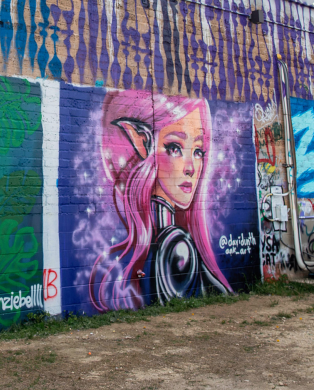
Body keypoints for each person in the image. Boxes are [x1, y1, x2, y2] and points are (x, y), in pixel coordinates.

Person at [89, 92, 230, 313]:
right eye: (175, 148)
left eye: (198, 151)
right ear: (144, 145)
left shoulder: (165, 245)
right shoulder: (176, 246)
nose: (190, 167)